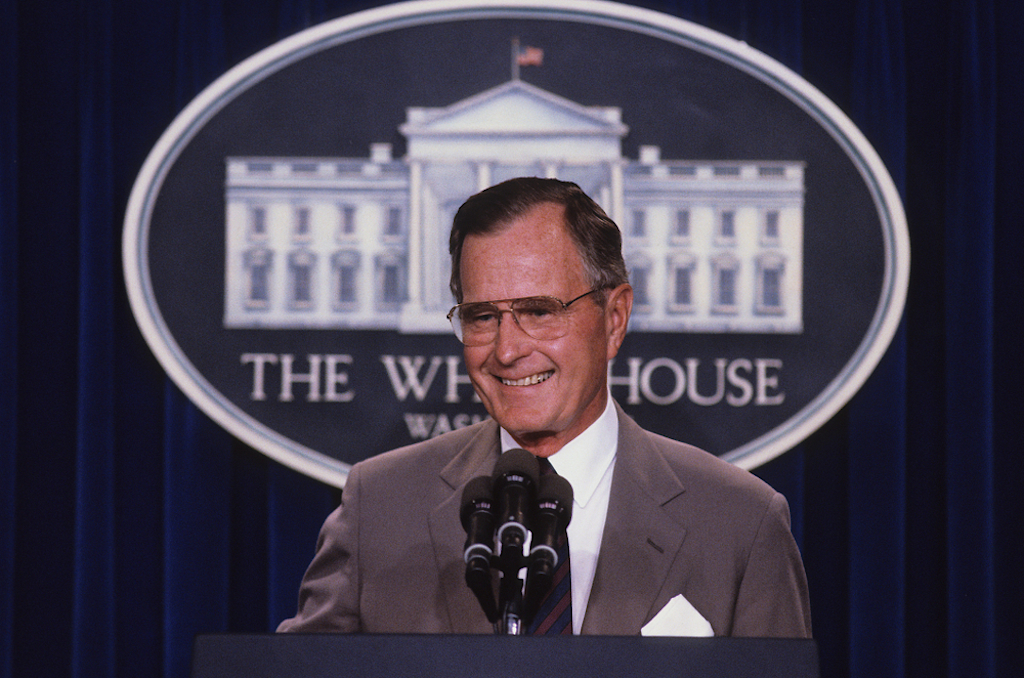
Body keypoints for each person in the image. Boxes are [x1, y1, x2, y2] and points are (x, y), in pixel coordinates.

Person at [277, 177, 811, 637]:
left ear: (615, 318)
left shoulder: (740, 524)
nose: (507, 350)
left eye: (539, 311)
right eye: (482, 316)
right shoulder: (380, 507)